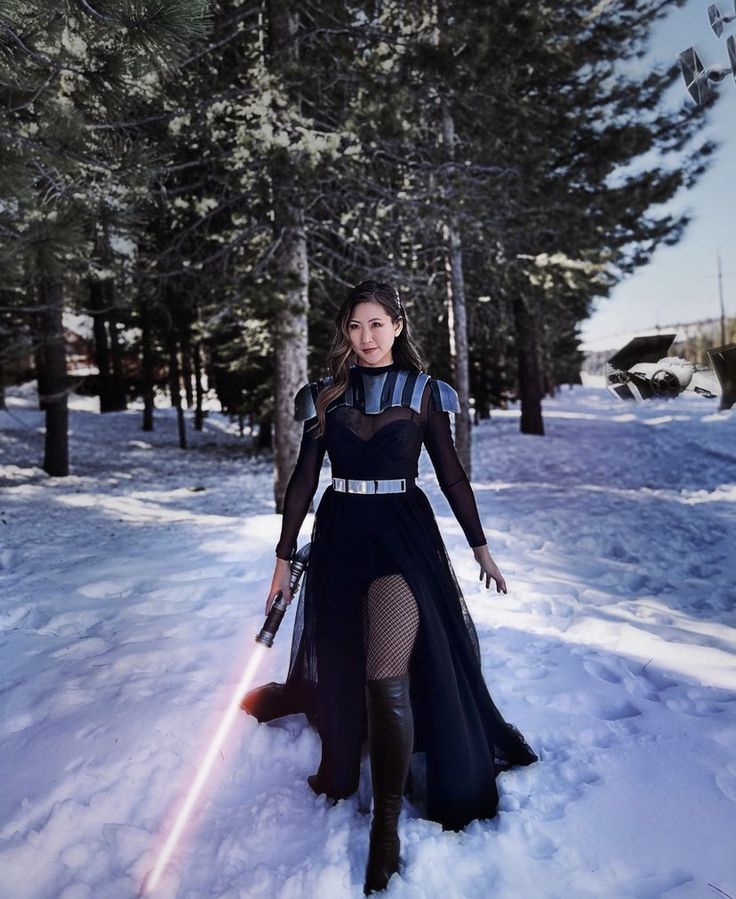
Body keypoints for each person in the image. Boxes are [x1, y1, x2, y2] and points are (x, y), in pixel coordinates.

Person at [243, 280, 537, 895]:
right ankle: (352, 769)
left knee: (386, 668)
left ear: (398, 326)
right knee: (347, 660)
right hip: (340, 534)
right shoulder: (324, 395)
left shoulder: (428, 394)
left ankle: (386, 826)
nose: (366, 337)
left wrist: (480, 545)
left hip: (403, 536)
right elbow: (302, 481)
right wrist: (280, 559)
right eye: (355, 326)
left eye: (377, 325)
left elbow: (452, 477)